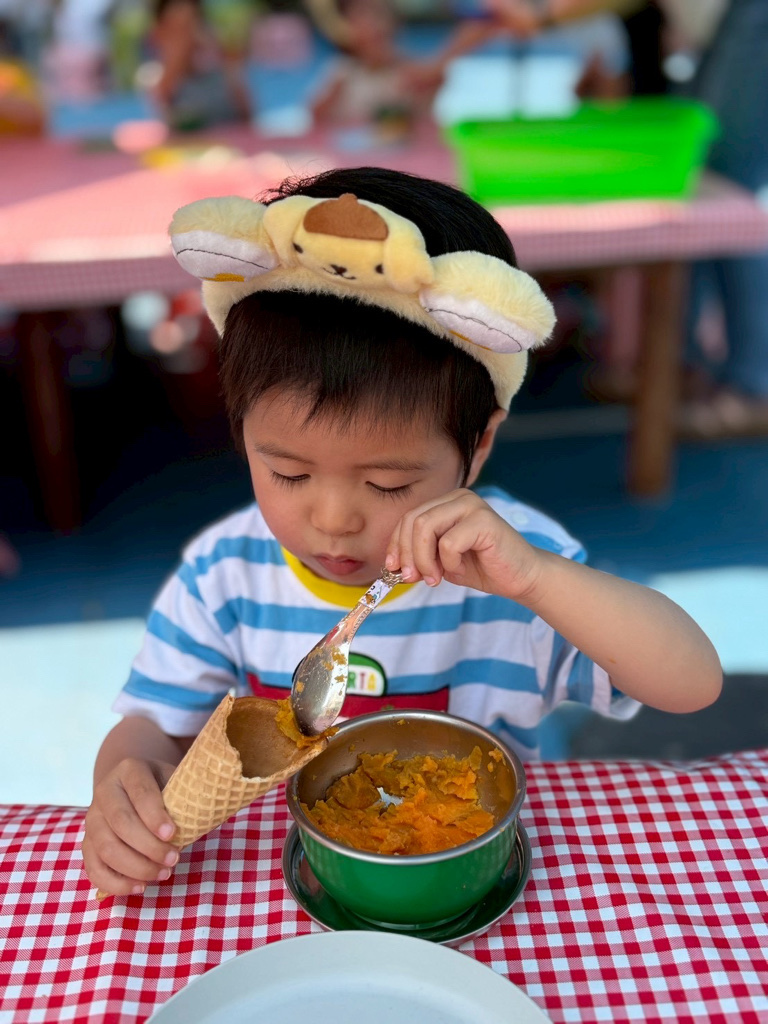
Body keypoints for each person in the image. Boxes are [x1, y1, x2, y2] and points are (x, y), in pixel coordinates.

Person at [82, 166, 722, 897]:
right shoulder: (224, 573)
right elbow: (154, 729)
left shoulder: (515, 568)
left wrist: (540, 579)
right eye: (288, 472)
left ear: (478, 445)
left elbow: (693, 684)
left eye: (387, 484)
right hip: (286, 883)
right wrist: (123, 785)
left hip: (469, 874)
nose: (333, 519)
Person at [147, 0, 251, 131]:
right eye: (179, 29)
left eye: (191, 23)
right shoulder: (153, 71)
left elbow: (246, 111)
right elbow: (160, 107)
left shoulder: (218, 62)